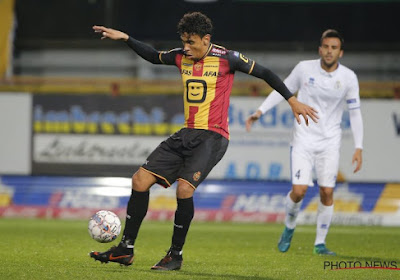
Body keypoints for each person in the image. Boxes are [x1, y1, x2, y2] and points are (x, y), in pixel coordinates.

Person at [90, 12, 318, 271]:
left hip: (213, 135)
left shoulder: (228, 58)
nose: (186, 48)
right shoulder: (180, 56)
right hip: (187, 133)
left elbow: (265, 72)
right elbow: (153, 56)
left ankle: (174, 255)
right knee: (139, 180)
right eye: (184, 42)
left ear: (206, 39)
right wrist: (126, 38)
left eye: (191, 42)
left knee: (184, 190)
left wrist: (292, 100)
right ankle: (125, 249)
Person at [246, 29, 363, 256]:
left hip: (330, 142)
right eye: (326, 47)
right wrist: (259, 111)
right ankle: (289, 227)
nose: (329, 51)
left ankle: (320, 243)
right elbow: (282, 90)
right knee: (298, 191)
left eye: (334, 48)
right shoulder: (303, 69)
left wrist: (359, 146)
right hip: (303, 139)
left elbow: (355, 113)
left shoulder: (349, 78)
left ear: (341, 52)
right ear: (320, 49)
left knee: (327, 192)